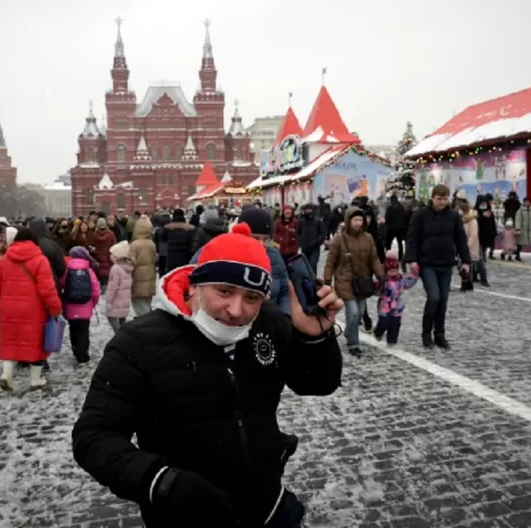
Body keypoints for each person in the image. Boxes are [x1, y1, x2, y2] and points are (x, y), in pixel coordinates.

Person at [72, 223, 343, 527]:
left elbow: (318, 383)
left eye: (252, 298)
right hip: (186, 515)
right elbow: (93, 436)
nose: (237, 309)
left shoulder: (267, 322)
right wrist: (162, 482)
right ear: (196, 284)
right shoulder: (139, 341)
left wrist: (314, 337)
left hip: (267, 504)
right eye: (224, 291)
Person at [0, 228, 63, 391]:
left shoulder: (4, 259)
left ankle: (6, 375)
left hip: (8, 308)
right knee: (36, 344)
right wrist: (55, 308)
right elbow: (47, 289)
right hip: (33, 308)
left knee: (11, 341)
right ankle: (35, 379)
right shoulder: (40, 260)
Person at [404, 184, 471, 349]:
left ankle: (439, 334)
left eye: (445, 198)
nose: (442, 202)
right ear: (432, 198)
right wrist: (412, 260)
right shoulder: (421, 215)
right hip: (427, 263)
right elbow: (412, 238)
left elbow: (461, 240)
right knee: (434, 297)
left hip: (446, 263)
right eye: (439, 198)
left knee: (443, 300)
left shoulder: (453, 216)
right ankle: (426, 333)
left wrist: (466, 261)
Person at [323, 206, 385, 356]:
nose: (358, 223)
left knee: (360, 312)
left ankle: (349, 333)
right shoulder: (339, 239)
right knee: (353, 312)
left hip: (362, 282)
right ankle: (353, 344)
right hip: (345, 280)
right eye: (355, 220)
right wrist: (327, 279)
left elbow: (374, 259)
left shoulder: (368, 238)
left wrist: (380, 275)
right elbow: (331, 261)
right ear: (348, 221)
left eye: (360, 219)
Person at [372, 249, 418, 346]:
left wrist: (414, 274)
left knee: (395, 324)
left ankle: (392, 340)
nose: (394, 273)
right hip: (385, 305)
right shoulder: (383, 281)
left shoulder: (400, 279)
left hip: (397, 306)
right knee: (384, 322)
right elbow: (376, 291)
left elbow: (408, 283)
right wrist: (376, 286)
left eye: (395, 271)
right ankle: (378, 332)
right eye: (391, 271)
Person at [105, 241, 133, 332]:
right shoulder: (128, 267)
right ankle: (123, 335)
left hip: (116, 300)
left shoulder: (115, 268)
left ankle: (119, 336)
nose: (110, 257)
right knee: (122, 319)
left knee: (111, 318)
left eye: (112, 255)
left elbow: (112, 286)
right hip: (125, 300)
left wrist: (109, 300)